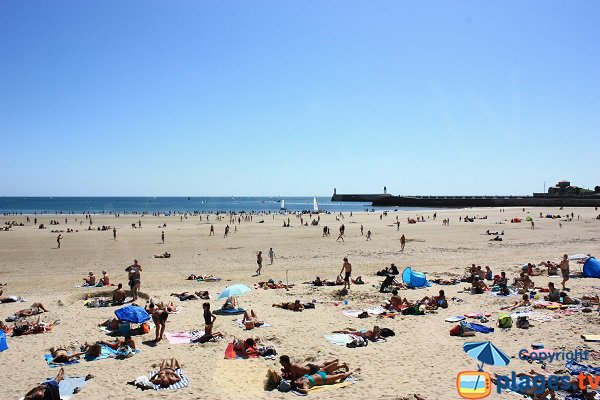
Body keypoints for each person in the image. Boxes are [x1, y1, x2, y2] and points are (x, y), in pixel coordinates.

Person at [279, 355, 348, 381]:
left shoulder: (292, 367)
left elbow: (293, 378)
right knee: (322, 366)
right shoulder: (288, 366)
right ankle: (334, 362)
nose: (280, 362)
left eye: (281, 361)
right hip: (309, 367)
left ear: (285, 362)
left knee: (326, 370)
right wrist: (285, 371)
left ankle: (341, 365)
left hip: (312, 370)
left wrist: (285, 375)